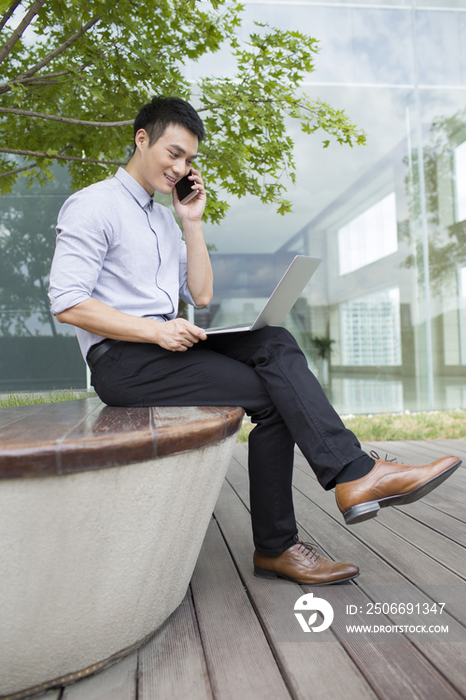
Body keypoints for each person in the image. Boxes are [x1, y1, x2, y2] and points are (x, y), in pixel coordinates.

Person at [49, 96, 461, 586]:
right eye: (174, 154)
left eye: (189, 160)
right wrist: (157, 328)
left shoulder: (163, 217)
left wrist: (192, 222)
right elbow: (67, 301)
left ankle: (346, 481)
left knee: (274, 341)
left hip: (167, 344)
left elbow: (200, 294)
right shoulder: (93, 205)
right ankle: (297, 528)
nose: (181, 167)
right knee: (274, 394)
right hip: (124, 360)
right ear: (142, 139)